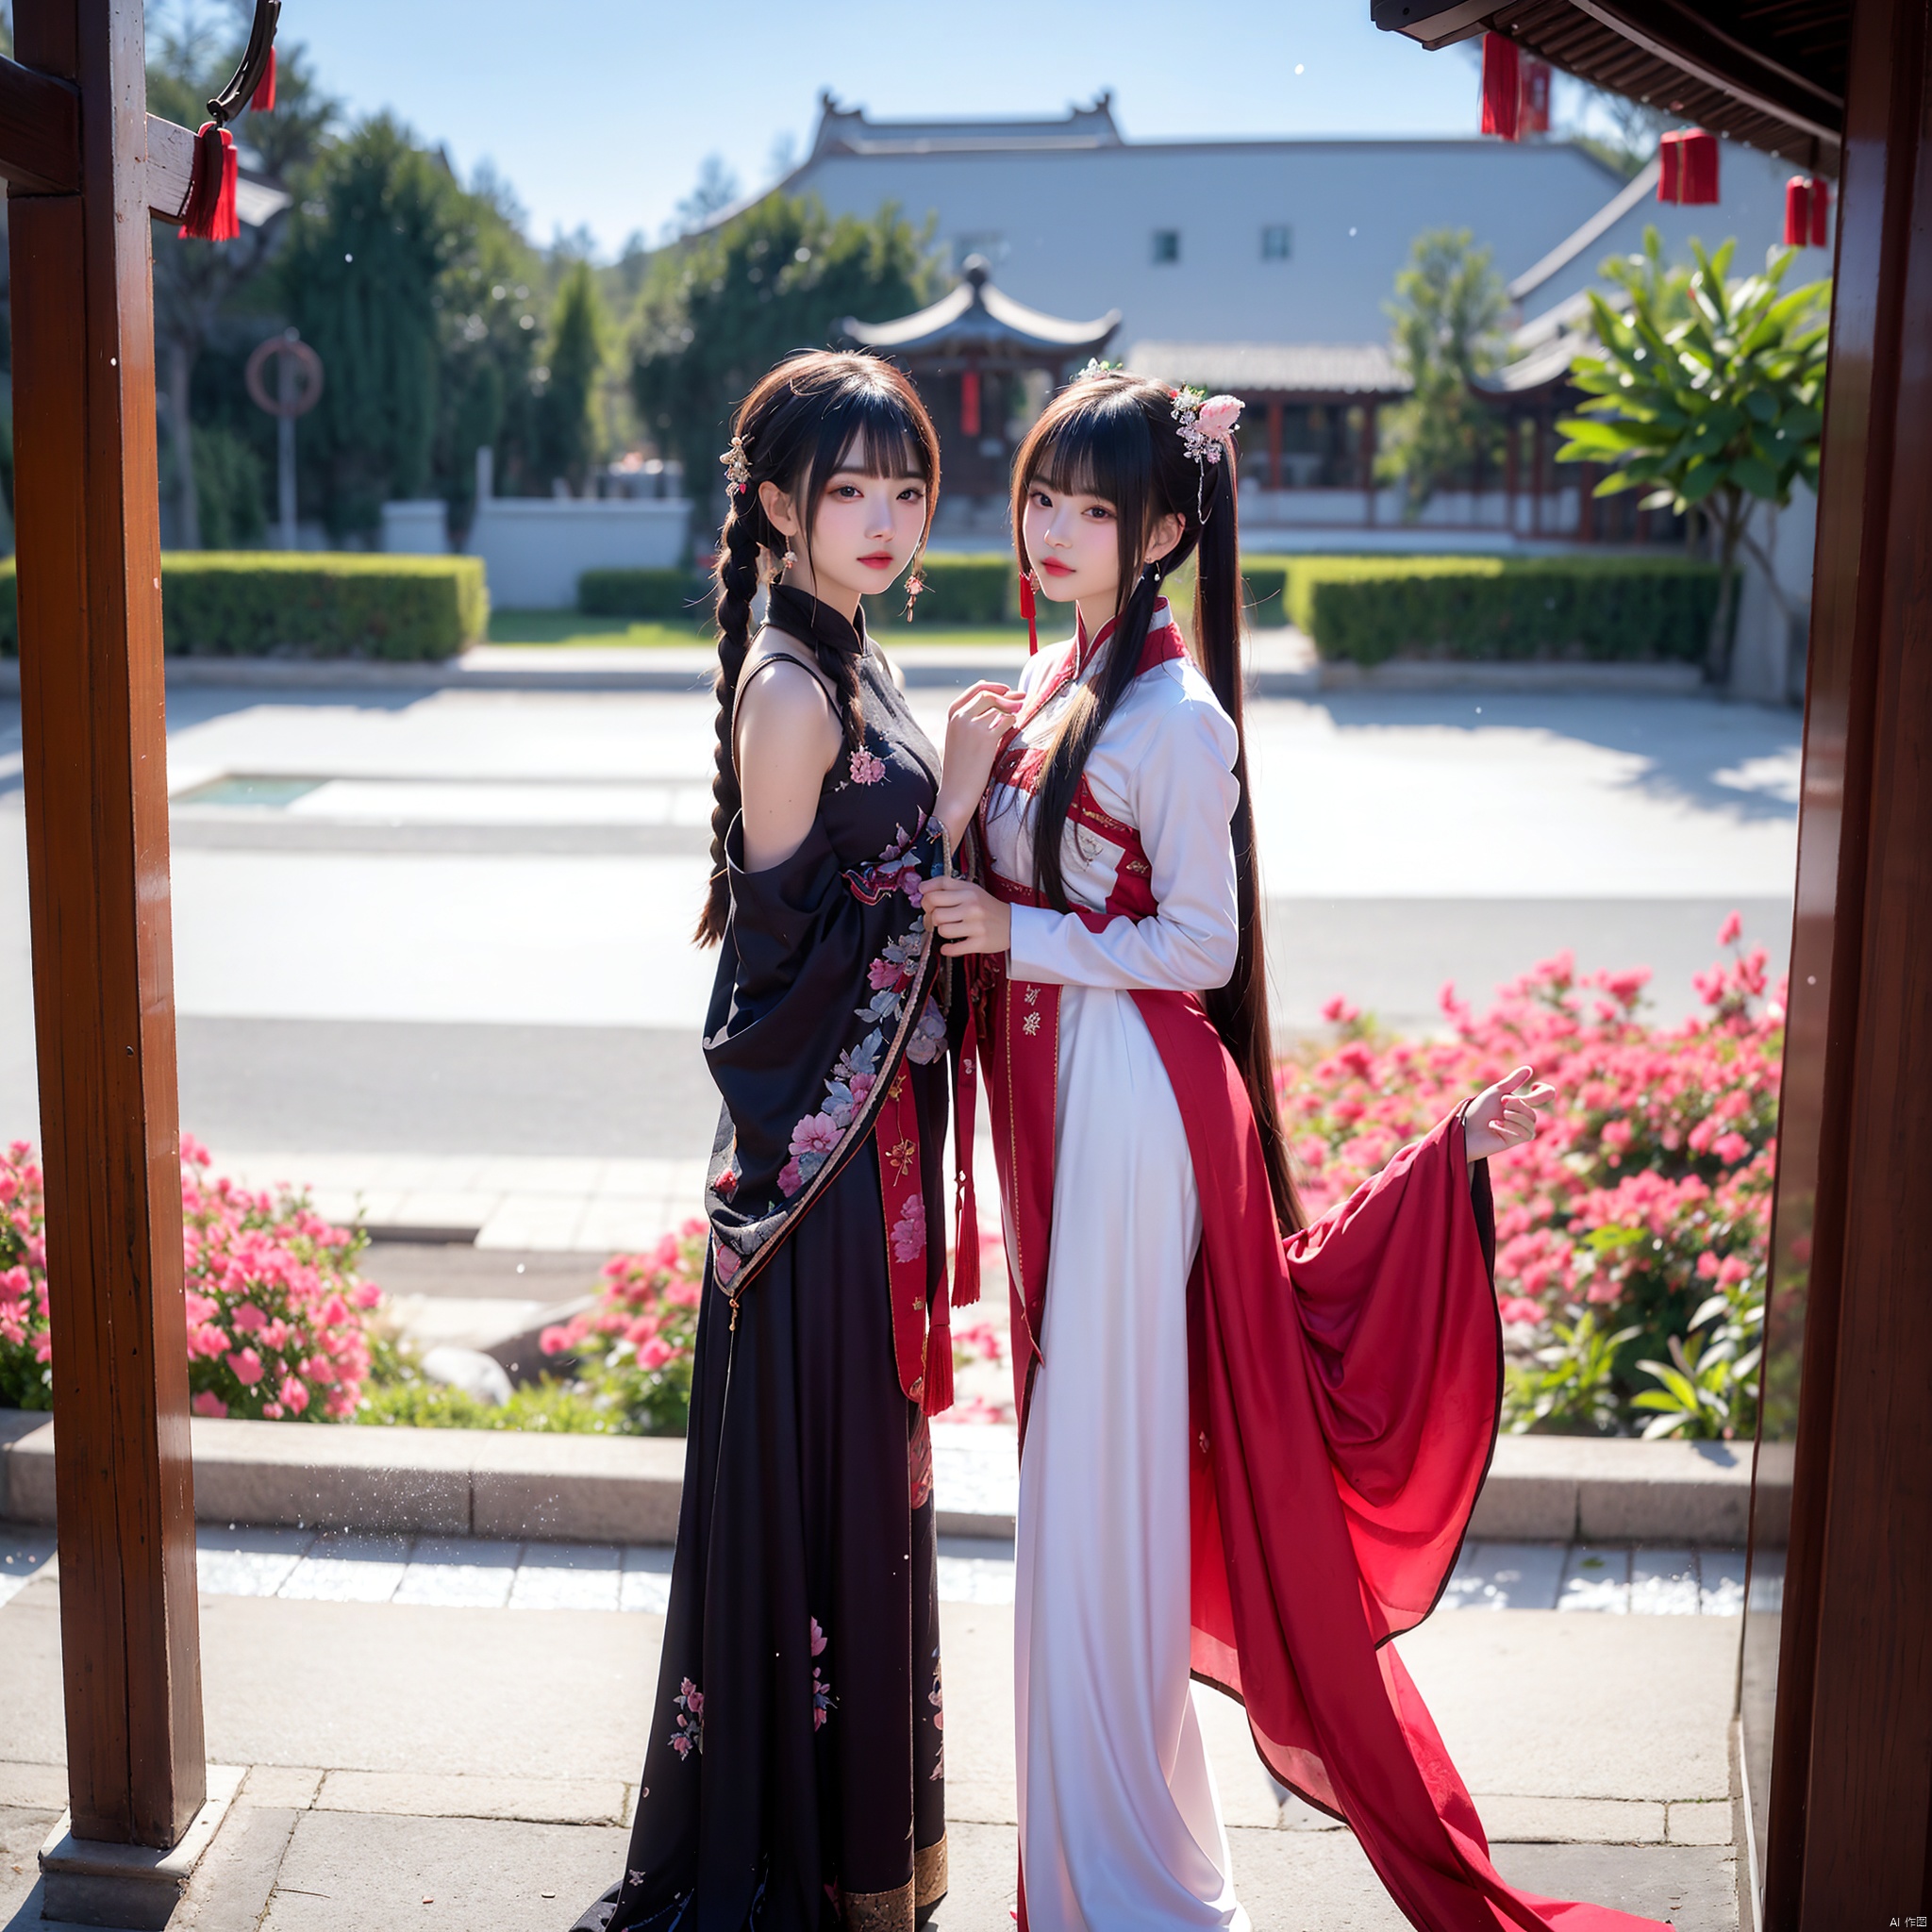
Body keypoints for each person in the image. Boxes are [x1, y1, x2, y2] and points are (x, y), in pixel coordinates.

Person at [919, 367, 1666, 1932]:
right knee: (1083, 1487)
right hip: (1073, 1104)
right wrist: (960, 799)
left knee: (1102, 1491)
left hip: (1132, 1110)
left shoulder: (1179, 720)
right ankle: (1128, 1866)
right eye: (1041, 495)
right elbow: (980, 900)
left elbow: (1199, 944)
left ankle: (1119, 1887)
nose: (1050, 527)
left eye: (1092, 507)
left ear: (1169, 529)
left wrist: (1019, 922)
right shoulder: (1051, 687)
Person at [573, 350, 1019, 1932]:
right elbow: (781, 980)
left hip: (869, 1174)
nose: (889, 515)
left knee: (872, 1495)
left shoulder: (856, 656)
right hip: (813, 1195)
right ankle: (800, 1868)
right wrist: (958, 820)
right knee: (835, 1495)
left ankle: (857, 1859)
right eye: (853, 489)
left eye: (908, 486)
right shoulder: (787, 689)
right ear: (778, 504)